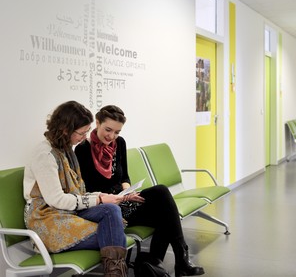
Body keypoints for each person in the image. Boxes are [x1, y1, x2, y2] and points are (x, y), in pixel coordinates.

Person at [75, 105, 205, 277]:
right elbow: (88, 189)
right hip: (107, 207)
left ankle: (165, 261)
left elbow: (124, 177)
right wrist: (117, 198)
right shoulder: (83, 149)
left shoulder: (119, 143)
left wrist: (128, 192)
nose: (111, 136)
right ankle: (163, 263)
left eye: (117, 132)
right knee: (165, 215)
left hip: (123, 199)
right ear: (97, 123)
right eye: (108, 129)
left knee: (161, 193)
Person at [23, 101, 129, 277]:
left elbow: (78, 192)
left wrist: (102, 196)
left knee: (112, 212)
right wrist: (100, 199)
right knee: (113, 233)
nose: (85, 136)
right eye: (82, 132)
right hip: (47, 217)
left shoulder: (66, 151)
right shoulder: (45, 155)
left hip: (68, 211)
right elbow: (56, 200)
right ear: (66, 129)